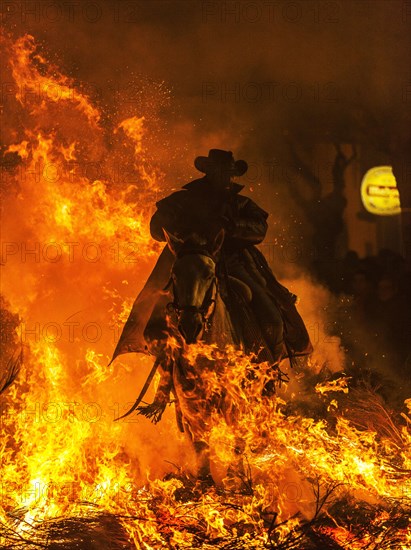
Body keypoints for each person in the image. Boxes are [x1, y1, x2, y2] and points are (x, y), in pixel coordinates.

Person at [111, 149, 312, 370]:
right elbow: (156, 228)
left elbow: (259, 229)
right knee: (155, 317)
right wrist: (185, 233)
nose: (224, 177)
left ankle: (267, 371)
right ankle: (167, 372)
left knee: (272, 316)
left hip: (232, 263)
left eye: (228, 173)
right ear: (208, 172)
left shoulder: (241, 204)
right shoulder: (183, 200)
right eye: (219, 172)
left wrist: (231, 227)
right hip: (188, 264)